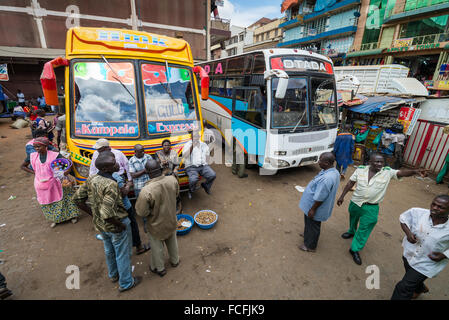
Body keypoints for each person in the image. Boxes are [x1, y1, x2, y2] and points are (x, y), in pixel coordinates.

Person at [337, 153, 428, 265]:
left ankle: (354, 249)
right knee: (353, 219)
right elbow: (351, 183)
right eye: (376, 161)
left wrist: (414, 171)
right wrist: (342, 196)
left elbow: (401, 173)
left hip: (371, 207)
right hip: (355, 202)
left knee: (365, 228)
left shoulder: (387, 172)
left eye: (381, 162)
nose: (379, 164)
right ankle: (351, 231)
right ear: (370, 162)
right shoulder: (360, 170)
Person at [73, 152, 142, 292]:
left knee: (109, 250)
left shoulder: (92, 178)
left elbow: (77, 199)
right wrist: (120, 225)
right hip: (115, 225)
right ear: (105, 169)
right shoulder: (111, 184)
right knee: (122, 253)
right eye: (113, 163)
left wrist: (94, 215)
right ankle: (126, 283)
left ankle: (113, 275)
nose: (117, 164)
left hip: (101, 225)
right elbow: (107, 213)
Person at [391, 195, 449, 300]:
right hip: (409, 254)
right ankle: (419, 288)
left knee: (403, 288)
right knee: (410, 275)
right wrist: (408, 234)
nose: (435, 208)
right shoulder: (418, 212)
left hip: (426, 263)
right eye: (433, 204)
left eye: (440, 207)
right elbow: (403, 219)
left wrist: (444, 255)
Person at [20, 137, 80, 228]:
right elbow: (23, 166)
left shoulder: (54, 155)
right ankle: (56, 219)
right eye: (35, 147)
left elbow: (68, 162)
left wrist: (67, 171)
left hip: (57, 182)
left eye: (39, 147)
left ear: (45, 146)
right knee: (47, 201)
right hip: (41, 184)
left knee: (65, 198)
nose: (36, 149)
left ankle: (72, 216)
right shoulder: (32, 156)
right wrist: (35, 173)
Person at [135, 158, 180, 277]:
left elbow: (141, 212)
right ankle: (175, 261)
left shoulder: (146, 190)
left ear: (147, 172)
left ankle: (160, 269)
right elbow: (176, 195)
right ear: (160, 169)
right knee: (172, 242)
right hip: (171, 219)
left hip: (156, 225)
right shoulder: (172, 179)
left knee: (157, 248)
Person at [103, 151, 150, 256]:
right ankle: (138, 247)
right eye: (114, 163)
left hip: (112, 210)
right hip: (124, 207)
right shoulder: (115, 176)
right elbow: (123, 193)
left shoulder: (99, 177)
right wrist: (128, 185)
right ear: (107, 167)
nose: (118, 164)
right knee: (132, 225)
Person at [299, 152, 340, 252]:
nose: (318, 162)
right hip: (313, 205)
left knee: (313, 225)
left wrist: (312, 209)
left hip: (315, 207)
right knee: (310, 224)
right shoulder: (332, 171)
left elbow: (320, 197)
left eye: (320, 160)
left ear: (326, 163)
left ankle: (310, 246)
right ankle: (307, 234)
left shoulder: (327, 178)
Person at [182, 130, 216, 199]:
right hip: (191, 167)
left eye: (197, 136)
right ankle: (191, 190)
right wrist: (192, 146)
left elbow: (207, 155)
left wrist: (206, 164)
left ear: (199, 136)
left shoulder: (203, 145)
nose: (195, 138)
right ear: (191, 137)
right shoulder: (187, 145)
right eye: (194, 136)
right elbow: (185, 156)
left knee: (212, 175)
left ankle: (206, 185)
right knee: (193, 179)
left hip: (203, 166)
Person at [155, 140, 183, 214]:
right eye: (165, 145)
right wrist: (161, 162)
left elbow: (177, 164)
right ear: (162, 146)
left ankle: (178, 204)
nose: (166, 146)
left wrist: (175, 170)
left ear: (170, 146)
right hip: (162, 174)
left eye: (168, 145)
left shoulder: (174, 153)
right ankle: (167, 207)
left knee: (175, 189)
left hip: (172, 173)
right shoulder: (158, 154)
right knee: (164, 191)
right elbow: (156, 165)